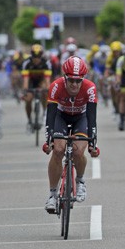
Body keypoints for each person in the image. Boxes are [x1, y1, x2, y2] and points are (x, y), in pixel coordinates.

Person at [42, 56, 99, 211]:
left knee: (78, 151)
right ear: (65, 77)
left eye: (78, 81)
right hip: (61, 116)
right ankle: (52, 195)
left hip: (81, 117)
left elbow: (92, 118)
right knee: (58, 150)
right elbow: (51, 116)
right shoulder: (56, 86)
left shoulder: (90, 88)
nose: (74, 84)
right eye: (71, 80)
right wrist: (49, 140)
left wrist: (93, 144)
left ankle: (80, 181)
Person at [21, 44, 53, 133]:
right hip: (31, 82)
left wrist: (47, 90)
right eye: (34, 56)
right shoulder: (26, 63)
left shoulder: (46, 63)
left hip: (41, 81)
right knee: (28, 98)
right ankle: (29, 120)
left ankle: (44, 114)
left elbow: (47, 81)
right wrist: (25, 90)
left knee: (45, 92)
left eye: (39, 56)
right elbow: (26, 80)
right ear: (31, 55)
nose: (36, 58)